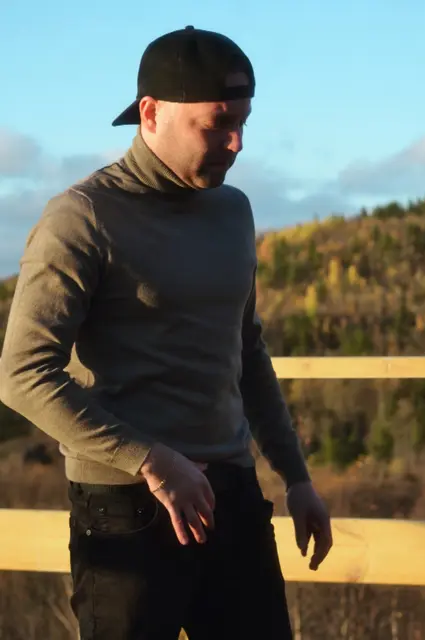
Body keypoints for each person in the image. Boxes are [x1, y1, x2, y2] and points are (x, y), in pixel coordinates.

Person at [0, 26, 332, 640]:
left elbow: (245, 350)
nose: (236, 143)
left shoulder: (234, 210)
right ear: (151, 114)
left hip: (232, 497)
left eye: (243, 122)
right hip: (126, 509)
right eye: (217, 124)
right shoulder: (82, 217)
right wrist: (151, 460)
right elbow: (22, 375)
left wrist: (297, 478)